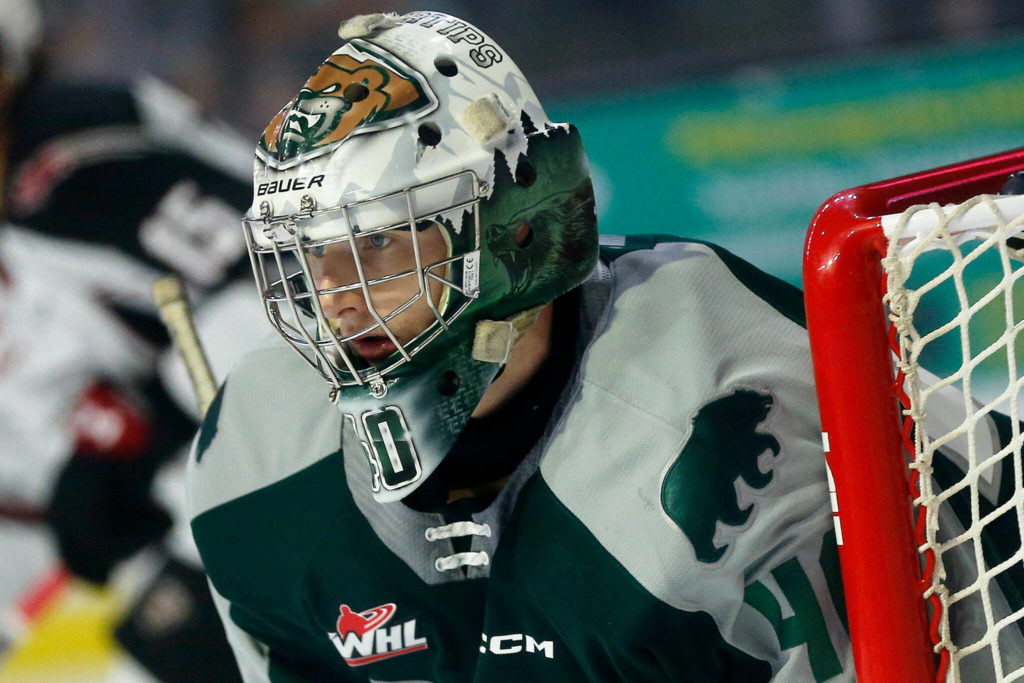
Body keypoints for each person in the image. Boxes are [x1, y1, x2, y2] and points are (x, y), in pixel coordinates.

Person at [188, 10, 855, 681]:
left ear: (514, 231)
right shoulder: (256, 461)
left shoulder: (708, 410)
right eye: (310, 253)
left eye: (378, 241)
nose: (333, 296)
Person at [0, 0, 257, 678]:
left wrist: (143, 433)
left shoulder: (81, 168)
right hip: (201, 504)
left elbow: (291, 287)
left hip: (307, 480)